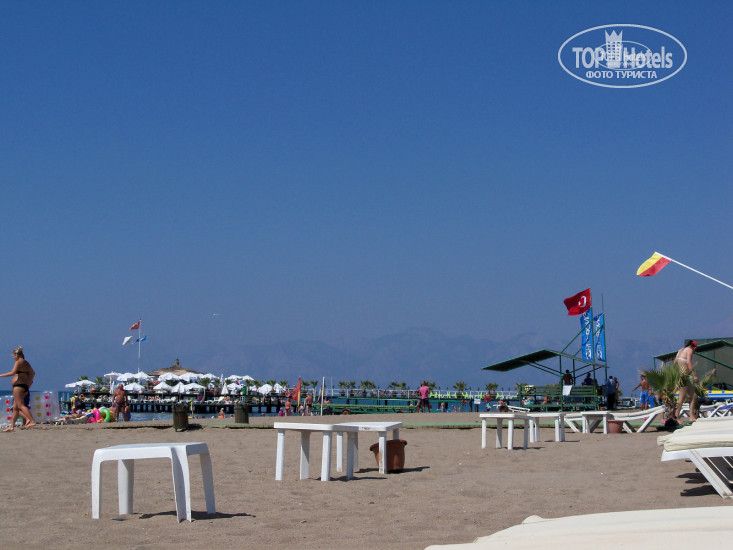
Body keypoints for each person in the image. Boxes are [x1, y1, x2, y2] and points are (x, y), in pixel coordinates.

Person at [0, 346, 36, 431]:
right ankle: (11, 426)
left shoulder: (18, 362)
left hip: (18, 386)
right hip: (24, 386)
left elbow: (12, 373)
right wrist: (29, 382)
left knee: (20, 405)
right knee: (15, 407)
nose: (13, 357)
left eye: (13, 356)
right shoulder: (26, 363)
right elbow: (33, 373)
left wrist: (0, 375)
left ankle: (31, 421)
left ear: (16, 355)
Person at [674, 339, 698, 422]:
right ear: (694, 347)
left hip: (681, 375)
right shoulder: (689, 350)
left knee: (693, 395)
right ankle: (676, 417)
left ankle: (691, 416)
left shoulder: (680, 350)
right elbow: (688, 362)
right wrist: (694, 375)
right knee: (681, 398)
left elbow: (675, 362)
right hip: (684, 376)